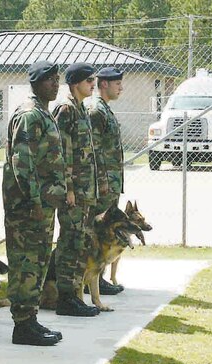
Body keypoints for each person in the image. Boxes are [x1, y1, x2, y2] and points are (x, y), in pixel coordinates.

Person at [2, 61, 66, 346]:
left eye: (57, 80)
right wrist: (33, 200)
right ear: (37, 83)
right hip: (29, 207)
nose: (56, 84)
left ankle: (30, 319)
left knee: (38, 261)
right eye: (50, 80)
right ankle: (22, 325)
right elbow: (21, 161)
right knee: (26, 262)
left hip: (43, 205)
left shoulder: (43, 113)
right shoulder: (29, 115)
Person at [51, 63, 101, 317]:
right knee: (70, 242)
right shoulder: (66, 109)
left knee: (80, 242)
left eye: (93, 80)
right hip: (74, 192)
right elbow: (62, 151)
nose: (93, 84)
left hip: (85, 191)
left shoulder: (82, 109)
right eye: (88, 80)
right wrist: (68, 187)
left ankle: (74, 295)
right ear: (74, 83)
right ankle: (66, 297)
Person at [85, 66, 126, 294]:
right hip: (102, 184)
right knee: (97, 234)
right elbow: (94, 151)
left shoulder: (104, 110)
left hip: (110, 183)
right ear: (104, 85)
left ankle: (98, 279)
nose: (121, 88)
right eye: (117, 83)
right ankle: (93, 281)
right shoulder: (95, 111)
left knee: (105, 232)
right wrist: (101, 184)